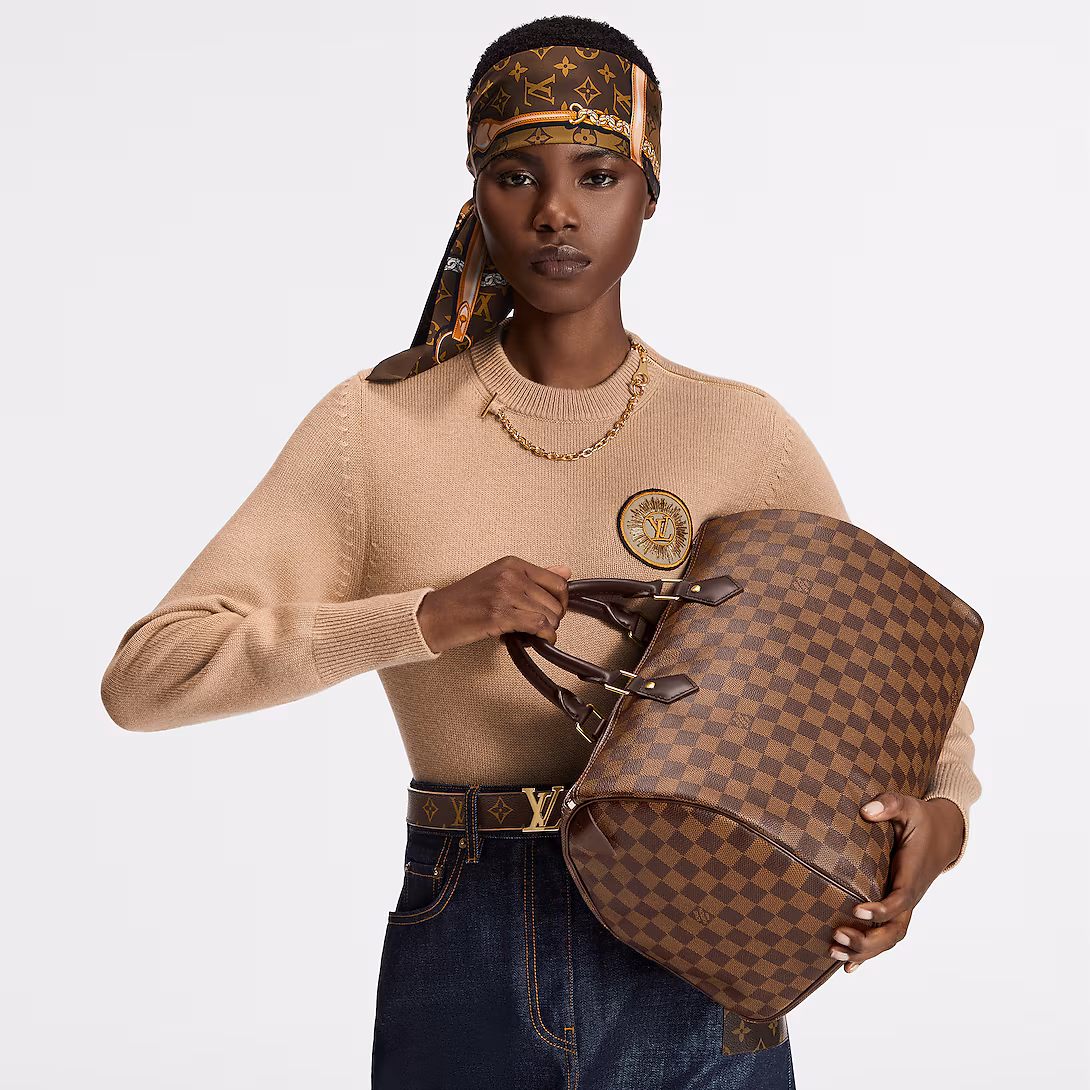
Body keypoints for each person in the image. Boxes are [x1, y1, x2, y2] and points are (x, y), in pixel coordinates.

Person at [100, 15, 982, 1090]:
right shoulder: (375, 429)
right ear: (476, 193)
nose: (557, 211)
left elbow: (891, 675)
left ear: (649, 192)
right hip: (469, 925)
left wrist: (941, 819)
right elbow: (148, 676)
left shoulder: (738, 433)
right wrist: (428, 617)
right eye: (516, 176)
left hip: (702, 922)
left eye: (598, 175)